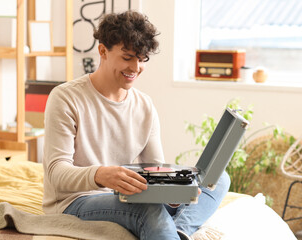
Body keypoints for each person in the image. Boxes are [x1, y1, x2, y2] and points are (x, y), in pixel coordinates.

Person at [42, 10, 230, 240]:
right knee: (147, 208)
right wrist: (100, 175)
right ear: (103, 51)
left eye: (142, 60)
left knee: (218, 180)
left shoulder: (144, 105)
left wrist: (171, 192)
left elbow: (156, 168)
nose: (135, 67)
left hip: (128, 196)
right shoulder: (65, 98)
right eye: (127, 57)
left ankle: (180, 229)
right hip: (77, 200)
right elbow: (56, 173)